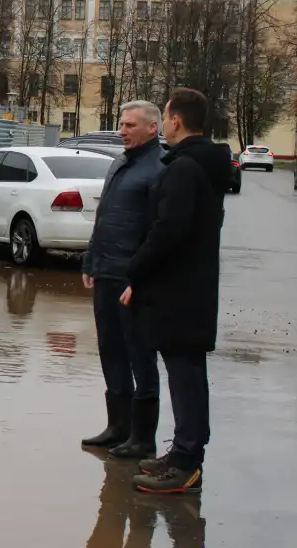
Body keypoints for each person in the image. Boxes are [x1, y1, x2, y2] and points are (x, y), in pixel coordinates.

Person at [121, 88, 232, 495]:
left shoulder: (186, 168)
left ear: (175, 121)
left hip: (181, 292)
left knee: (185, 376)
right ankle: (184, 452)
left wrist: (135, 270)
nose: (166, 123)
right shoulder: (201, 164)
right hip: (190, 289)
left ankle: (186, 463)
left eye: (166, 116)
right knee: (186, 374)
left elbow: (169, 231)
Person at [80, 101, 165, 459]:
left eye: (130, 125)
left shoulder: (161, 168)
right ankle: (118, 427)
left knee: (139, 356)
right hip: (106, 274)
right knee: (110, 350)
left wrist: (143, 278)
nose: (122, 130)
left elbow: (159, 230)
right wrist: (90, 260)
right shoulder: (119, 163)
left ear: (153, 128)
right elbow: (104, 215)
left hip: (135, 281)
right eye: (121, 124)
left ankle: (142, 437)